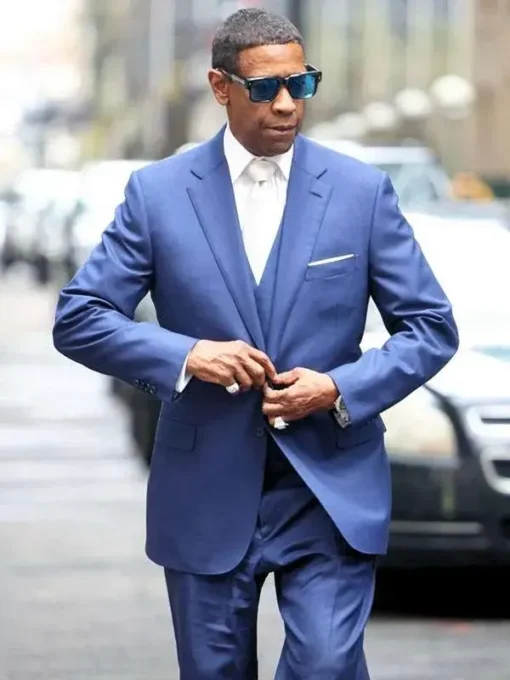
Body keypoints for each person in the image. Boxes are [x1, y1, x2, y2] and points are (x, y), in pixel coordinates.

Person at [52, 8, 459, 679]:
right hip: (206, 487)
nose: (287, 104)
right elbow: (81, 316)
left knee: (326, 665)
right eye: (266, 88)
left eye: (301, 85)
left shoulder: (360, 192)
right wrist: (187, 356)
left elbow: (430, 327)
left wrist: (339, 387)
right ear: (221, 87)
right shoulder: (158, 194)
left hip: (328, 486)